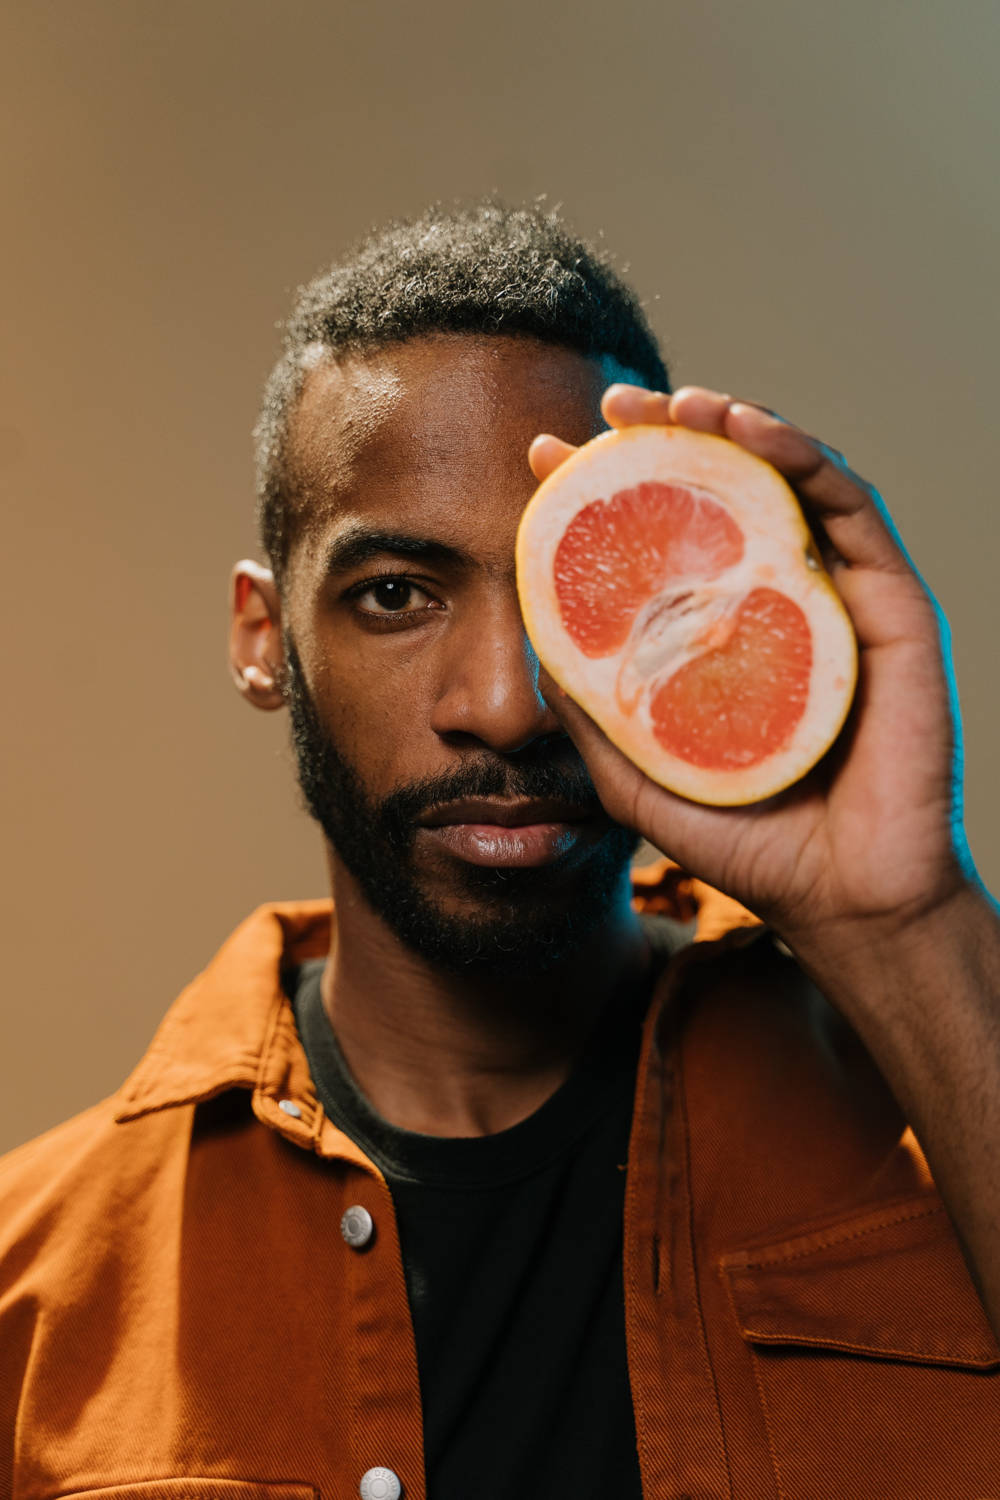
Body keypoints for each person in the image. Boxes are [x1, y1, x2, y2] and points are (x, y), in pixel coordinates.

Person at [2, 201, 999, 1500]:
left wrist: (907, 913)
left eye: (566, 593)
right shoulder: (33, 1287)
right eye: (397, 596)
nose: (508, 703)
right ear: (264, 640)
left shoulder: (934, 1128)